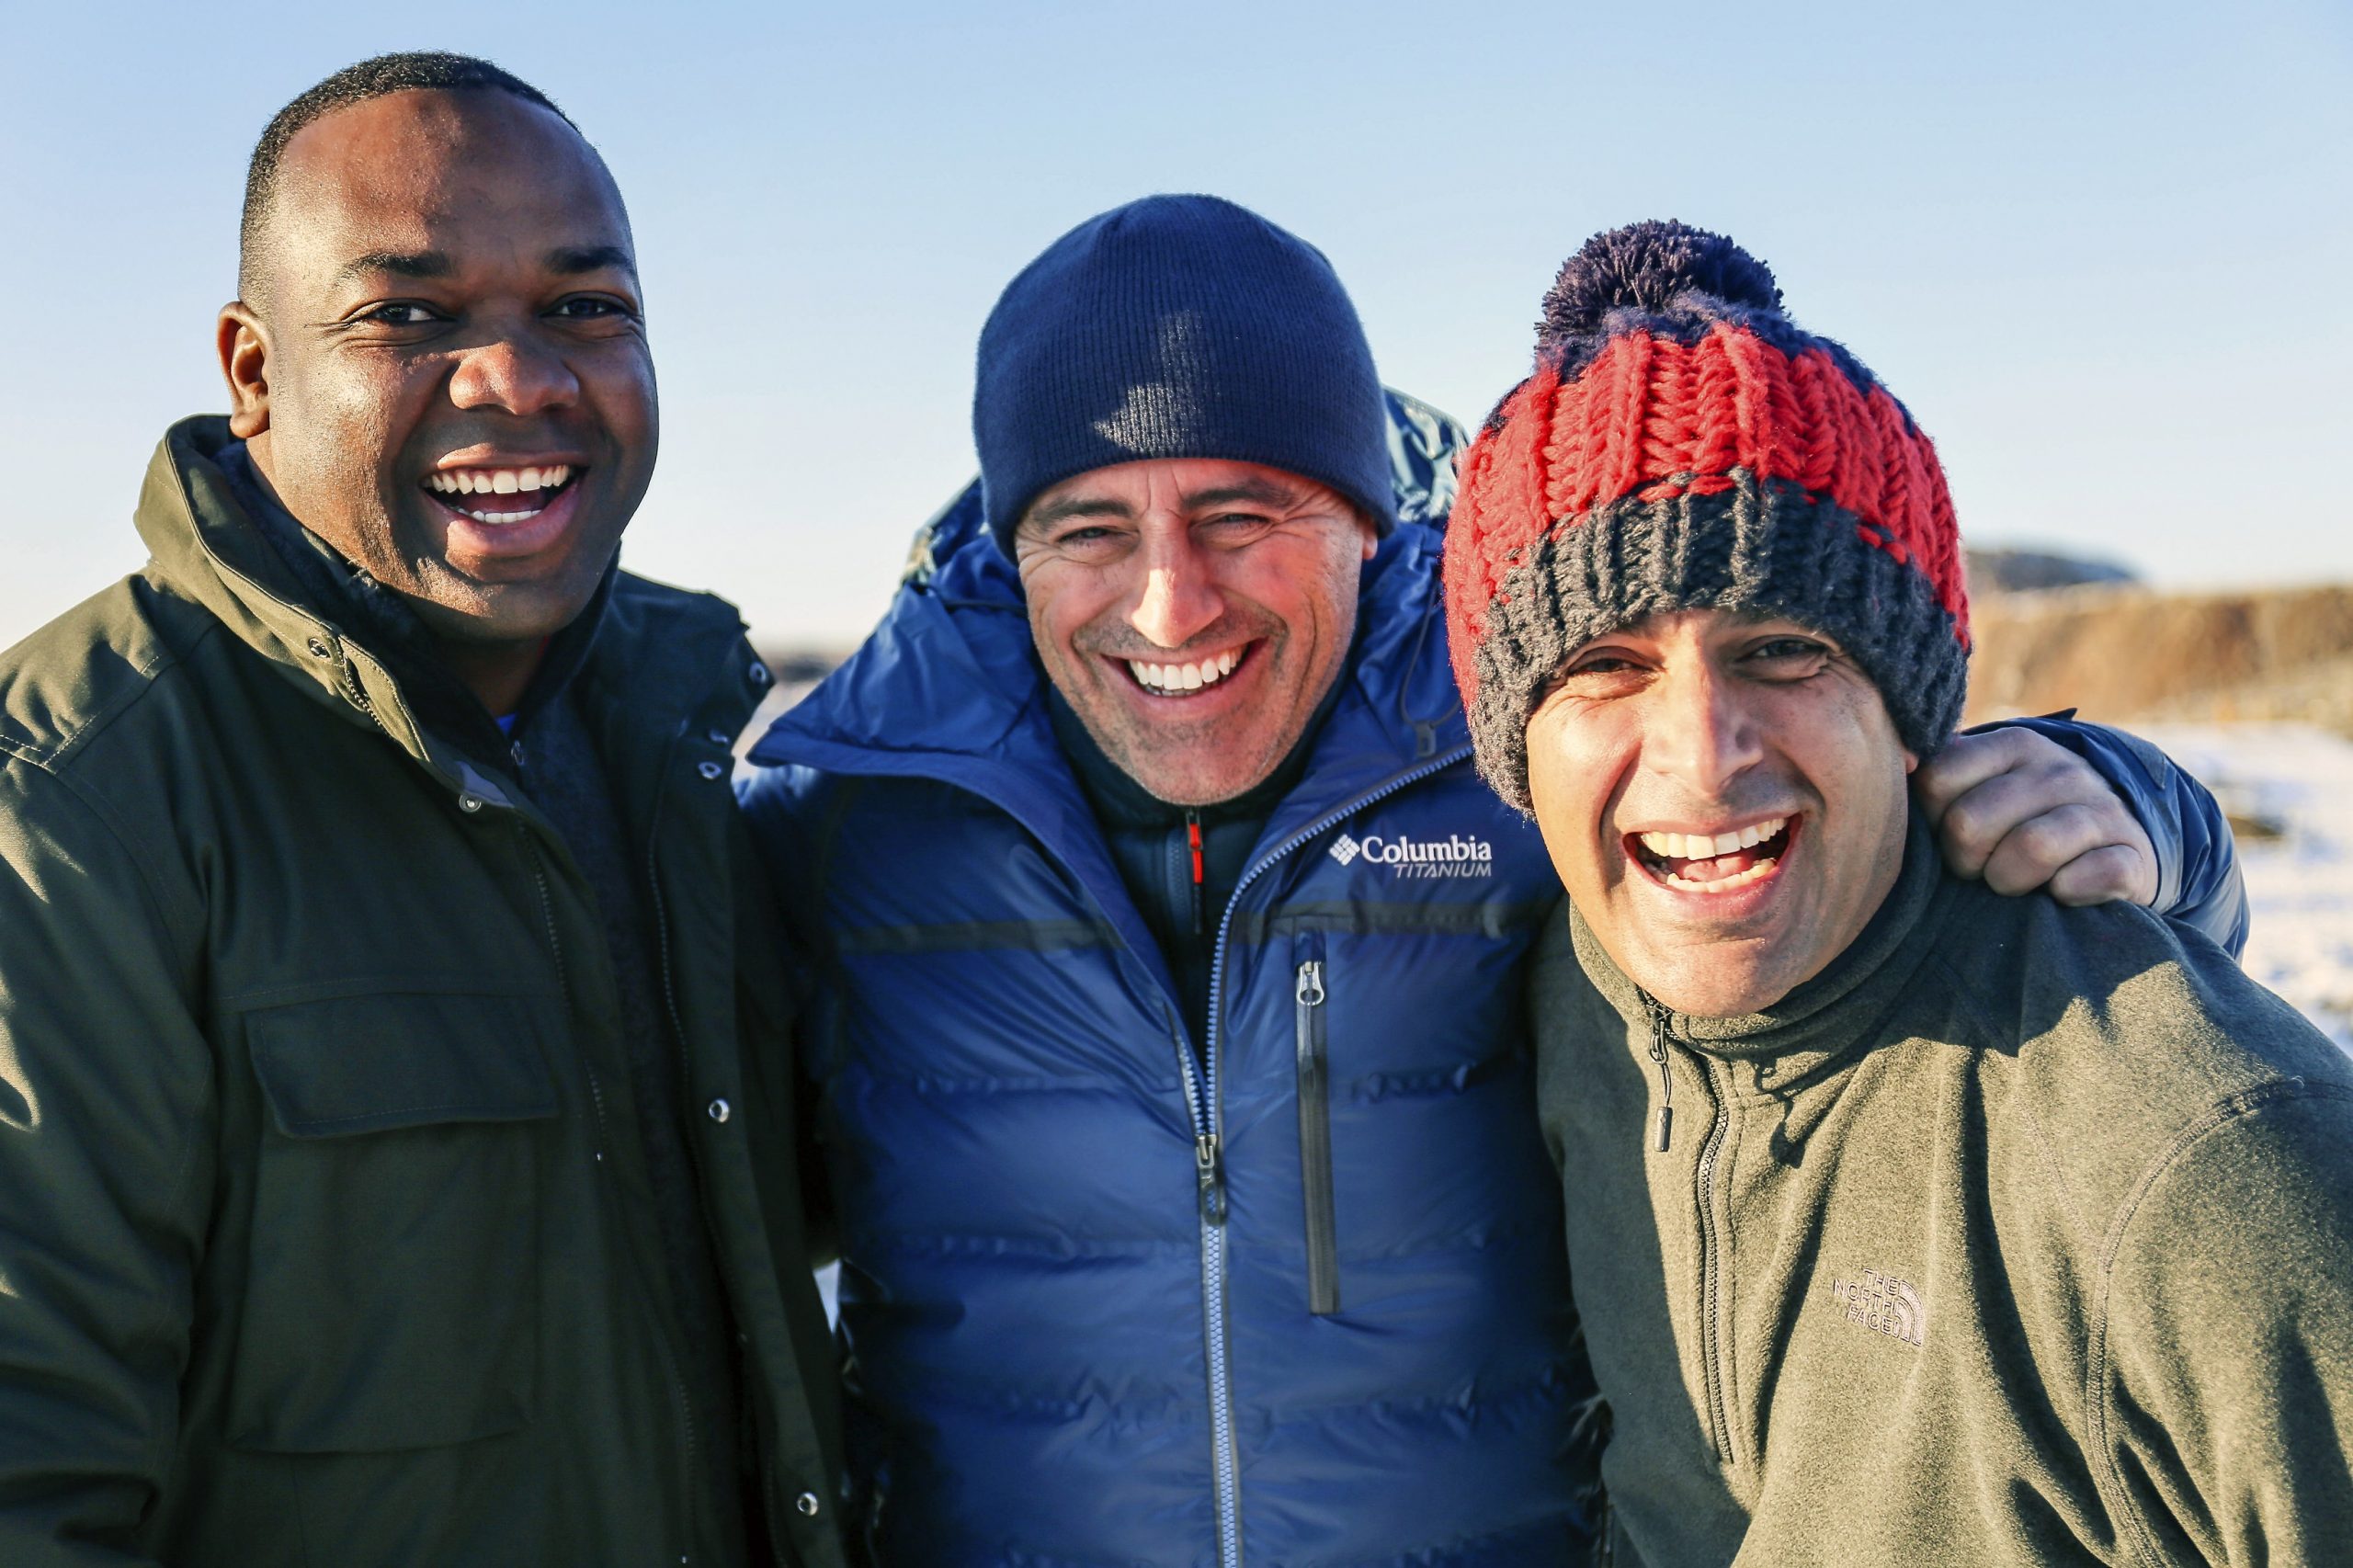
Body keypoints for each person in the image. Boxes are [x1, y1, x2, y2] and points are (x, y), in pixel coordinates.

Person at [741, 195, 2245, 1564]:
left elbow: (1821, 808)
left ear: (1365, 517)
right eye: (1090, 529)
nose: (1168, 600)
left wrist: (2140, 811)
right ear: (1015, 551)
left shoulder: (1526, 739)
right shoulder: (857, 812)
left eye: (1241, 515)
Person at [0, 53, 844, 1567]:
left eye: (584, 307)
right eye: (410, 316)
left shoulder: (695, 740)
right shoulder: (74, 797)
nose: (518, 379)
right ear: (253, 373)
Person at [1442, 219, 2353, 1564]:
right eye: (1606, 666)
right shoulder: (1568, 1002)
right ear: (1517, 741)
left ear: (1912, 711)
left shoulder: (2193, 1146)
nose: (1703, 753)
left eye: (1783, 647)